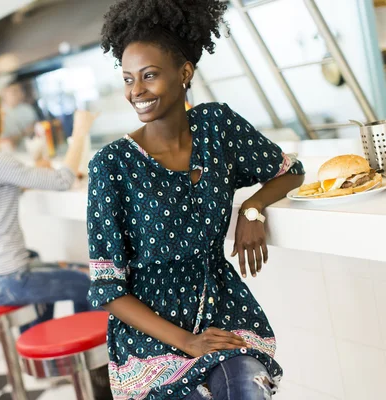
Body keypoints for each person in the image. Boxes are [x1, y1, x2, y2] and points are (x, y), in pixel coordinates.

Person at [87, 1, 306, 400]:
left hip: (222, 314)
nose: (136, 90)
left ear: (184, 72)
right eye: (128, 78)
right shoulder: (110, 166)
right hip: (150, 343)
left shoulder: (215, 126)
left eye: (149, 75)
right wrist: (187, 342)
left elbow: (290, 171)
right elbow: (108, 289)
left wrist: (253, 208)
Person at [0, 79, 98, 324]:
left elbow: (1, 186)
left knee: (68, 272)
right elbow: (62, 180)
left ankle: (54, 358)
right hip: (7, 279)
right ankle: (96, 359)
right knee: (94, 286)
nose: (3, 111)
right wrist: (80, 131)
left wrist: (33, 173)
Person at [0, 82, 38, 150]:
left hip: (32, 149)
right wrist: (23, 133)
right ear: (4, 94)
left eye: (20, 90)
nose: (19, 94)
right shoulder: (0, 115)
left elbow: (36, 129)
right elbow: (6, 142)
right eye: (14, 91)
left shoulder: (27, 108)